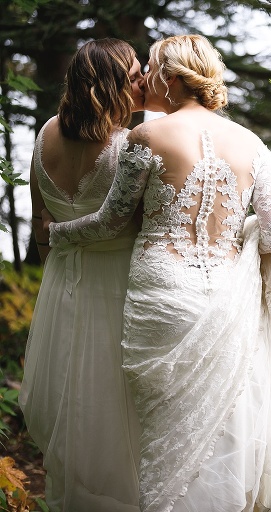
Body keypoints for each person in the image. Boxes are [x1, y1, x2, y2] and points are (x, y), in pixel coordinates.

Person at [45, 34, 271, 512]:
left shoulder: (146, 137)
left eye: (151, 69)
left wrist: (59, 234)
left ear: (174, 79)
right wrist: (239, 243)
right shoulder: (252, 144)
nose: (142, 78)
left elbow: (112, 222)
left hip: (160, 294)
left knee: (157, 432)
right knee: (218, 428)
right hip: (225, 296)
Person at [19, 38, 145, 512]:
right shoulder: (127, 145)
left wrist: (53, 250)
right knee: (115, 401)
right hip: (118, 281)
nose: (140, 82)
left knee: (73, 388)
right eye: (133, 74)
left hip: (63, 279)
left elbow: (40, 222)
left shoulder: (47, 133)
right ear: (112, 83)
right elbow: (136, 222)